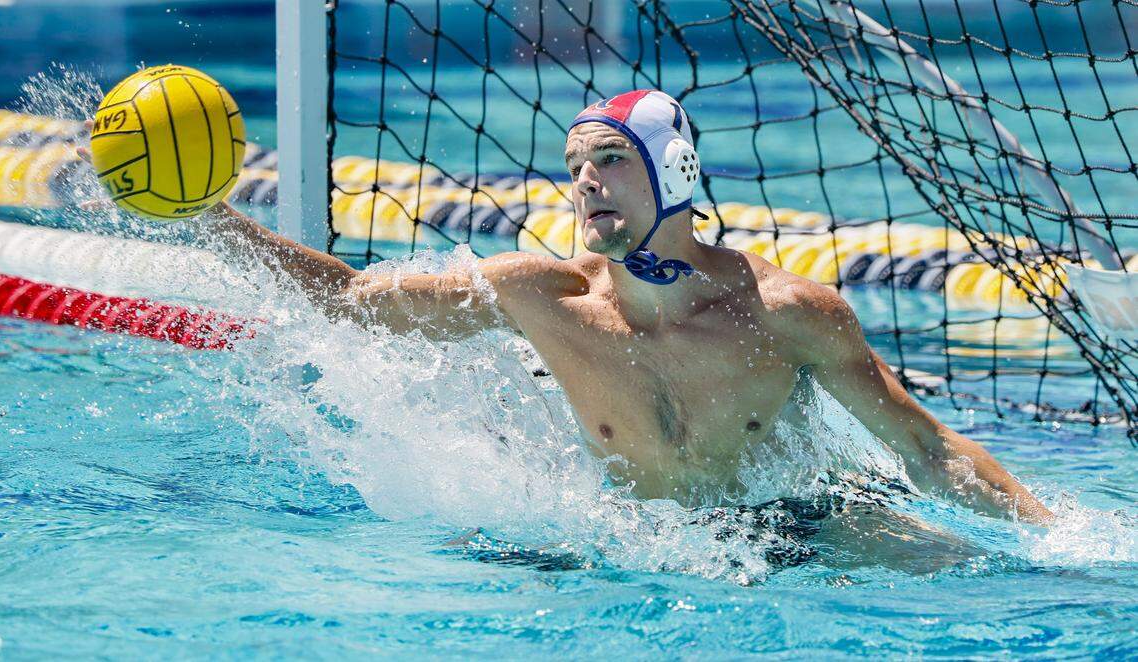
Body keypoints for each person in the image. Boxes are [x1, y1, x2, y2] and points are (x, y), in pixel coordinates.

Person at [80, 90, 1052, 529]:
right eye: (575, 166)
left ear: (674, 172)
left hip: (797, 525)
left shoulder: (792, 312)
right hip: (636, 548)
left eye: (610, 161)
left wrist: (1053, 536)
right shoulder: (537, 296)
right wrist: (217, 225)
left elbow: (926, 447)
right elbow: (350, 299)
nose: (585, 184)